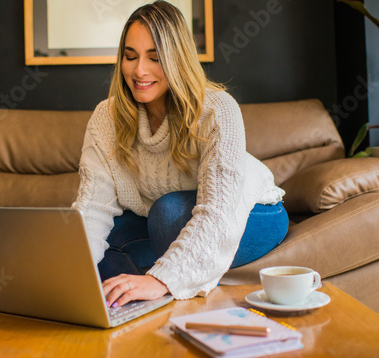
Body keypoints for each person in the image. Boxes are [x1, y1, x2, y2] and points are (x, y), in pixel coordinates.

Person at [72, 1, 288, 309]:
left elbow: (217, 213)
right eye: (130, 56)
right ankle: (133, 315)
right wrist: (69, 275)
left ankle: (169, 284)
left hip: (251, 210)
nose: (139, 70)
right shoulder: (106, 117)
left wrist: (161, 280)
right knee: (105, 247)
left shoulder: (217, 109)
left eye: (155, 58)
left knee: (168, 213)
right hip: (163, 217)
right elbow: (92, 208)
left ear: (178, 59)